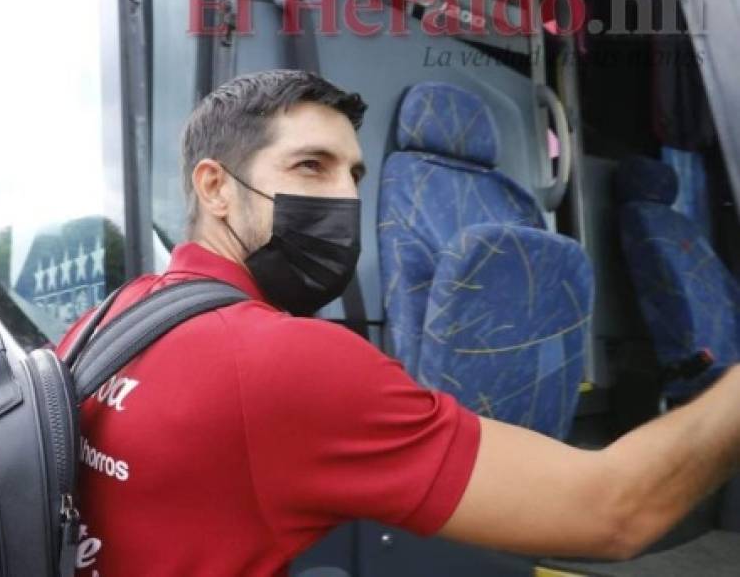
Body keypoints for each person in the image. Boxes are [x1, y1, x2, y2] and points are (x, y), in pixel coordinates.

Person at [57, 70, 740, 576]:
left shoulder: (104, 320)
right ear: (215, 188)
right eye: (309, 167)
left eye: (354, 175)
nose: (345, 199)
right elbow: (615, 510)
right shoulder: (283, 361)